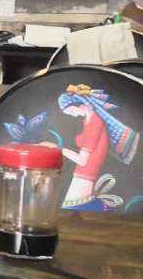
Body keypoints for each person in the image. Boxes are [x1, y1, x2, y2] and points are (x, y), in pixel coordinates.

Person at [55, 83, 138, 211]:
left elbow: (83, 160)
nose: (72, 115)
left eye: (71, 111)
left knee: (71, 206)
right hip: (84, 170)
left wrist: (59, 150)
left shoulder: (95, 123)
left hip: (86, 171)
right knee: (74, 205)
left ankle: (106, 208)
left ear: (82, 104)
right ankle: (105, 208)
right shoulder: (88, 120)